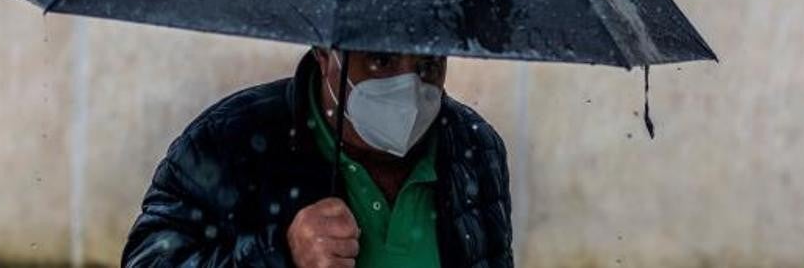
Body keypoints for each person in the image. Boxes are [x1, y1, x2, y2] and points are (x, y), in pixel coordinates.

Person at [122, 48, 512, 267]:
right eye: (382, 60)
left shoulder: (472, 149)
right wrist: (279, 254)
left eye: (428, 65)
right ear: (327, 54)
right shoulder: (231, 143)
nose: (408, 88)